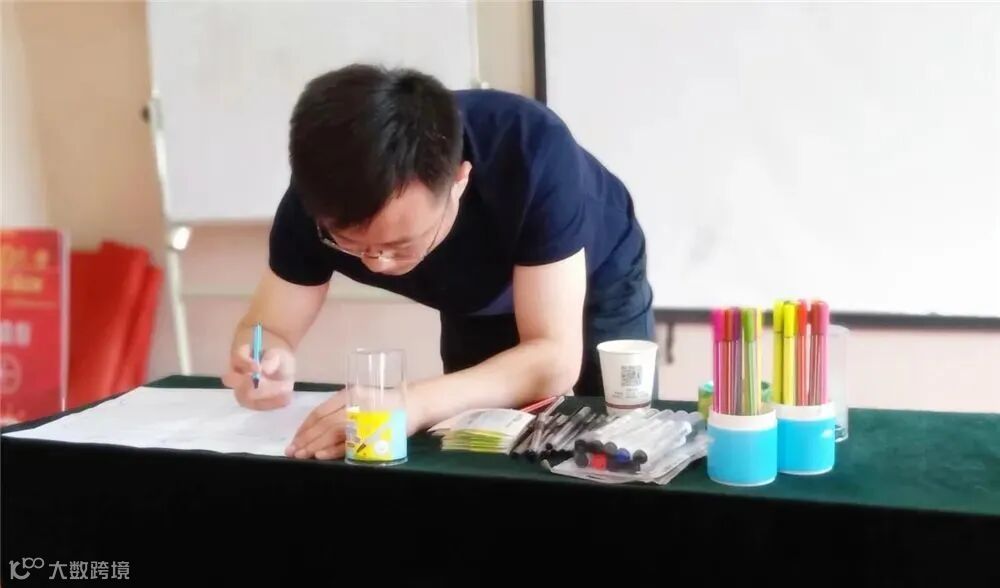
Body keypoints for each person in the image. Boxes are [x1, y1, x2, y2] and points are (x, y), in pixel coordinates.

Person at [222, 64, 655, 460]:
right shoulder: (319, 199)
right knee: (480, 447)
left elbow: (553, 360)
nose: (377, 264)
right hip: (474, 295)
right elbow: (268, 329)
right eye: (352, 244)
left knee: (621, 441)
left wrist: (413, 401)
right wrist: (265, 361)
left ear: (458, 183)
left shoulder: (530, 149)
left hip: (599, 272)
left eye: (400, 245)